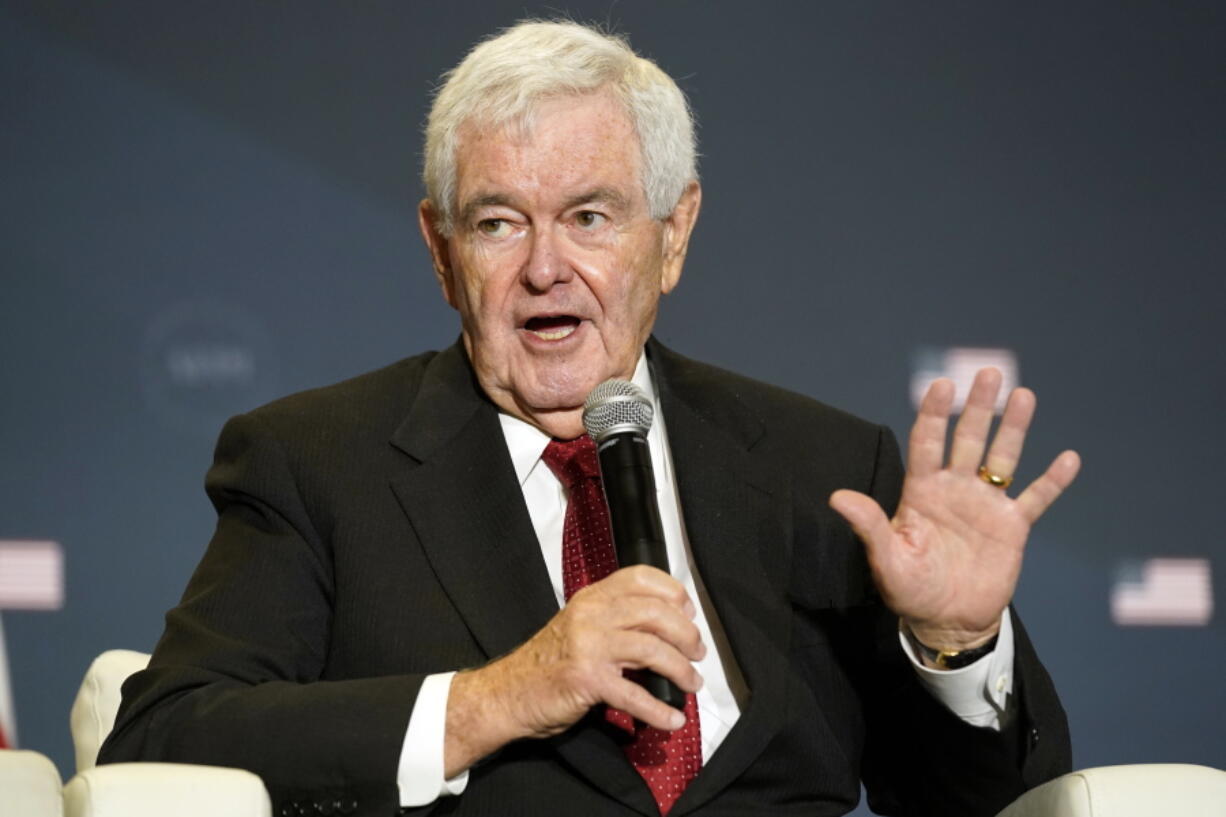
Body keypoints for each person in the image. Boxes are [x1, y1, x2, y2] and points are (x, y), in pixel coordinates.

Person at [100, 20, 1081, 817]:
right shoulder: (316, 465)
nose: (542, 267)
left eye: (589, 217)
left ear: (672, 236)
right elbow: (165, 741)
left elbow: (991, 804)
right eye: (496, 222)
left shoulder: (818, 469)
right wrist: (501, 695)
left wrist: (956, 645)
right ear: (439, 253)